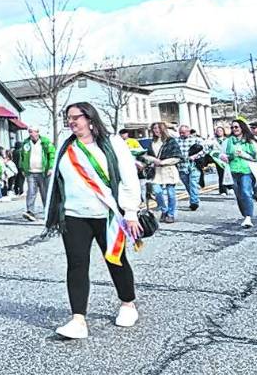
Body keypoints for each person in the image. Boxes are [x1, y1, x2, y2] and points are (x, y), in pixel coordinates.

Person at [44, 102, 141, 340]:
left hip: (107, 214)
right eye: (68, 118)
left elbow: (129, 177)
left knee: (115, 259)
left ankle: (127, 304)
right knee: (76, 265)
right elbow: (57, 183)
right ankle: (78, 319)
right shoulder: (66, 148)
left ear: (89, 118)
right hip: (74, 215)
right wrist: (52, 213)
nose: (72, 122)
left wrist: (130, 211)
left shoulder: (113, 143)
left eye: (76, 117)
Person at [221, 119, 257, 228]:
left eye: (236, 127)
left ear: (242, 128)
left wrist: (244, 155)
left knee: (246, 192)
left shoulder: (250, 141)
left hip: (247, 170)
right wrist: (223, 157)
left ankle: (248, 217)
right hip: (232, 170)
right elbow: (221, 154)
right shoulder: (228, 141)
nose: (234, 129)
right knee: (239, 195)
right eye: (232, 127)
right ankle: (245, 215)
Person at [145, 122, 182, 223]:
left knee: (171, 193)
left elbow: (177, 157)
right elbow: (147, 155)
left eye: (158, 128)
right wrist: (152, 160)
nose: (156, 130)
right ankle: (164, 210)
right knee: (157, 192)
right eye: (154, 128)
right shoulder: (152, 142)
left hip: (169, 169)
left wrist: (162, 162)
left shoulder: (171, 141)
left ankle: (170, 214)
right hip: (156, 171)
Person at [20, 126, 56, 222]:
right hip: (31, 172)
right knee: (31, 192)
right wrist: (22, 168)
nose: (31, 134)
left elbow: (52, 155)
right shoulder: (26, 143)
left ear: (38, 132)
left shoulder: (45, 142)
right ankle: (30, 211)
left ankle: (48, 212)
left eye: (33, 132)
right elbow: (22, 156)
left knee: (45, 193)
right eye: (30, 132)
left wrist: (51, 167)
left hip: (43, 172)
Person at [177, 125, 204, 211]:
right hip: (181, 166)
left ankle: (194, 202)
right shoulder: (176, 141)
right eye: (180, 132)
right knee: (187, 184)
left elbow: (206, 149)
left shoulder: (197, 139)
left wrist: (196, 155)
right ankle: (194, 197)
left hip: (194, 165)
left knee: (193, 183)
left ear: (188, 132)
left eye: (183, 132)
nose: (181, 134)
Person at [207, 126, 233, 196]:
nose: (219, 132)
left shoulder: (228, 140)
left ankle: (230, 187)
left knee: (229, 173)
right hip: (218, 160)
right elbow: (209, 149)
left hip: (227, 158)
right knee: (221, 174)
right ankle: (222, 190)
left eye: (220, 130)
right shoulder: (213, 140)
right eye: (217, 131)